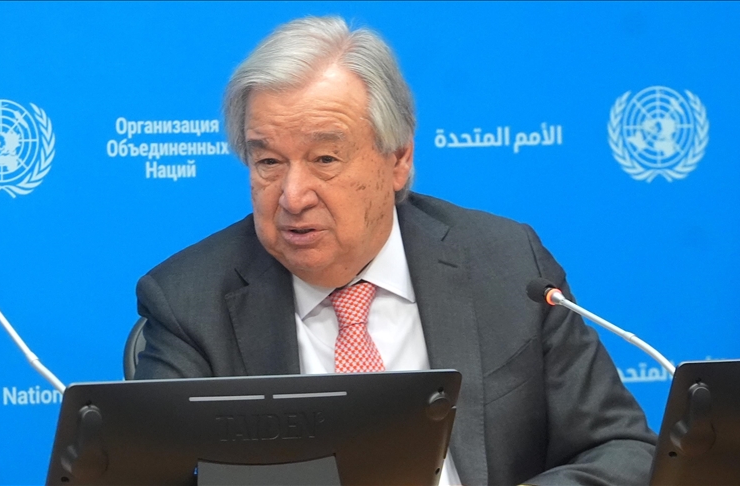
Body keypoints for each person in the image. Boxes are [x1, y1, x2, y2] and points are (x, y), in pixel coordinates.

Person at [134, 16, 656, 485]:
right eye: (268, 162)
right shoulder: (188, 304)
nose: (293, 197)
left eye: (325, 159)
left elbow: (622, 448)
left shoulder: (508, 265)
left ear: (398, 159)